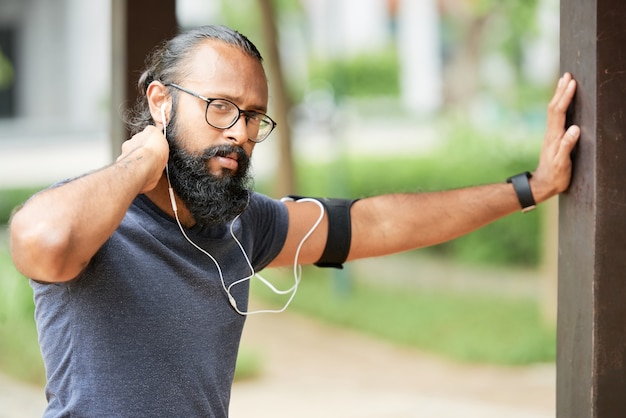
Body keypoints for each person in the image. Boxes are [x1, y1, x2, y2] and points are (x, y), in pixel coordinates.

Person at [9, 24, 580, 417]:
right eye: (220, 106)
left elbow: (376, 224)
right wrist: (136, 163)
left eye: (254, 116)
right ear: (161, 102)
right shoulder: (95, 214)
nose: (239, 132)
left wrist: (532, 187)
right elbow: (43, 243)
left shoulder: (241, 225)